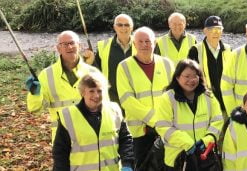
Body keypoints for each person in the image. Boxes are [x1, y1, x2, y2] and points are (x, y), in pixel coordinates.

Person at [116, 27, 175, 168]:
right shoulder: (124, 67)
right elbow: (127, 100)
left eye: (148, 41)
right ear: (134, 44)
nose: (144, 45)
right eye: (140, 41)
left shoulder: (167, 64)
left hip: (165, 129)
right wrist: (154, 119)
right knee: (141, 166)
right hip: (138, 133)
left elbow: (174, 94)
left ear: (155, 43)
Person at [25, 31, 101, 141]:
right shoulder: (47, 75)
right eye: (64, 44)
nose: (69, 47)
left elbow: (103, 106)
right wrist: (35, 94)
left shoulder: (93, 73)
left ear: (79, 46)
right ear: (58, 48)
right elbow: (35, 108)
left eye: (72, 43)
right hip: (62, 139)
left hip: (91, 136)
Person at [52, 72, 134, 170]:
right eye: (91, 91)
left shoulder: (114, 111)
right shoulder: (68, 116)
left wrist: (127, 164)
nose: (96, 95)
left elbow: (125, 140)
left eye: (99, 91)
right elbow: (60, 152)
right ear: (82, 92)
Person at [152, 59, 224, 168]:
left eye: (195, 76)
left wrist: (207, 139)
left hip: (204, 156)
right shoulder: (167, 98)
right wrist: (187, 143)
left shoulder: (208, 96)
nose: (191, 80)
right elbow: (163, 126)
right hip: (177, 158)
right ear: (177, 77)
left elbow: (217, 120)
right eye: (187, 76)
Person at [83, 14, 136, 103]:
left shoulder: (141, 43)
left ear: (132, 28)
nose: (123, 28)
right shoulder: (103, 46)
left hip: (135, 97)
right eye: (120, 25)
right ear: (114, 27)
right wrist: (91, 62)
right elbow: (97, 73)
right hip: (111, 99)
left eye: (127, 25)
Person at [187, 16, 233, 114]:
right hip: (205, 103)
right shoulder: (195, 50)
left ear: (222, 31)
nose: (215, 32)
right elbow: (190, 78)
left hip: (226, 103)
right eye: (211, 29)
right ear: (205, 31)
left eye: (218, 29)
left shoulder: (229, 49)